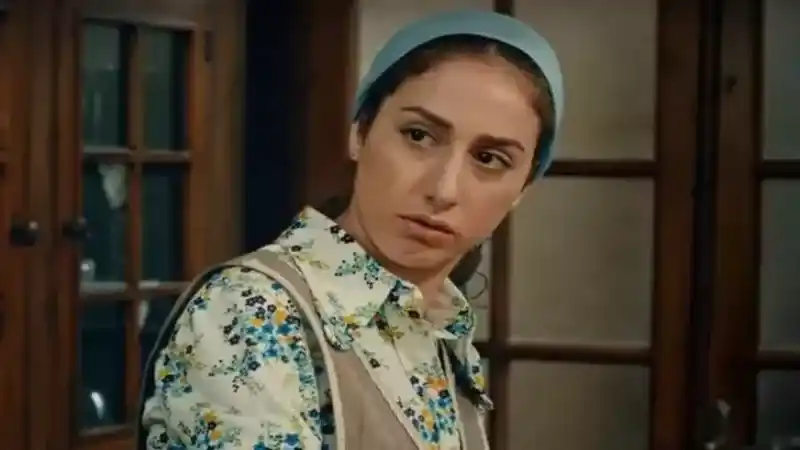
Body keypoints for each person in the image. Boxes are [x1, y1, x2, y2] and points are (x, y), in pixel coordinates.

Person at [138, 9, 563, 450]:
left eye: (490, 159)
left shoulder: (439, 328)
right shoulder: (252, 310)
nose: (443, 189)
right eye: (419, 136)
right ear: (360, 132)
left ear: (522, 189)